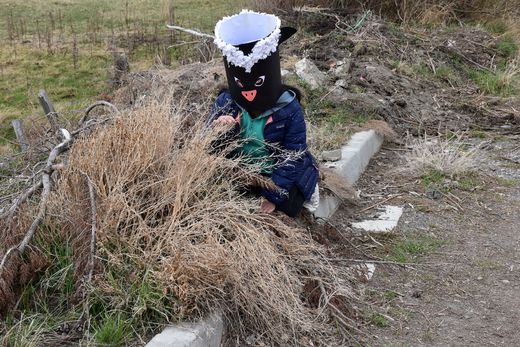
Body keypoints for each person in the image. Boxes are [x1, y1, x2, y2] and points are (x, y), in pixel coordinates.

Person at [209, 10, 319, 217]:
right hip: (240, 174)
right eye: (240, 84)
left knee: (288, 206)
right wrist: (221, 131)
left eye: (258, 83)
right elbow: (210, 150)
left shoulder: (288, 108)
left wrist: (272, 196)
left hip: (275, 176)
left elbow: (293, 156)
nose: (249, 93)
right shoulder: (226, 102)